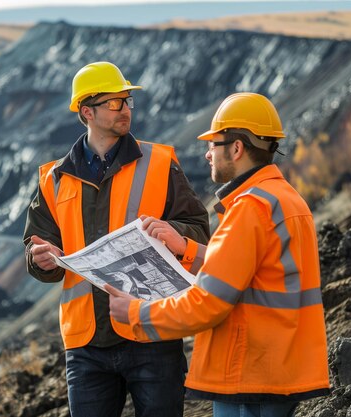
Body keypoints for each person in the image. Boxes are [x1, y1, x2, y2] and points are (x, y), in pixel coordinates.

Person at [107, 92, 330, 417]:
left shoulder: (250, 209)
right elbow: (251, 272)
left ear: (237, 148)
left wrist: (137, 313)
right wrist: (188, 250)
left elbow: (207, 303)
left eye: (214, 144)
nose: (208, 154)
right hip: (277, 369)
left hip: (248, 377)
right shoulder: (286, 199)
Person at [23, 61, 210, 417]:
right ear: (87, 111)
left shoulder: (159, 162)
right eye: (115, 103)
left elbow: (199, 229)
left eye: (127, 101)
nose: (125, 110)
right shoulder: (54, 179)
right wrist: (40, 259)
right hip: (86, 343)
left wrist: (174, 236)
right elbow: (36, 249)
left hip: (152, 332)